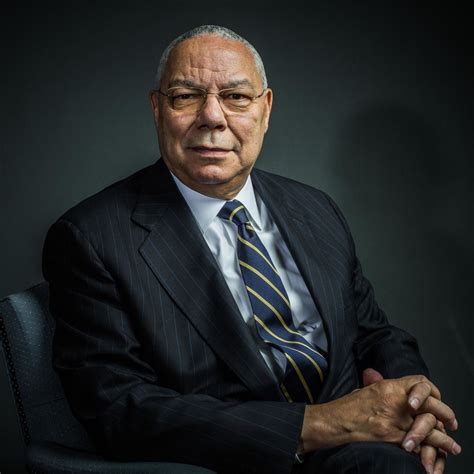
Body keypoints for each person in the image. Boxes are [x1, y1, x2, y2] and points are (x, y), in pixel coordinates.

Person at [42, 25, 461, 474]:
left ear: (266, 109)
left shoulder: (315, 208)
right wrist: (324, 424)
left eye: (236, 97)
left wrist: (413, 403)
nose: (212, 117)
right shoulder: (91, 237)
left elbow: (374, 333)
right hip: (233, 460)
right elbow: (120, 408)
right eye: (185, 96)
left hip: (361, 452)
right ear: (158, 109)